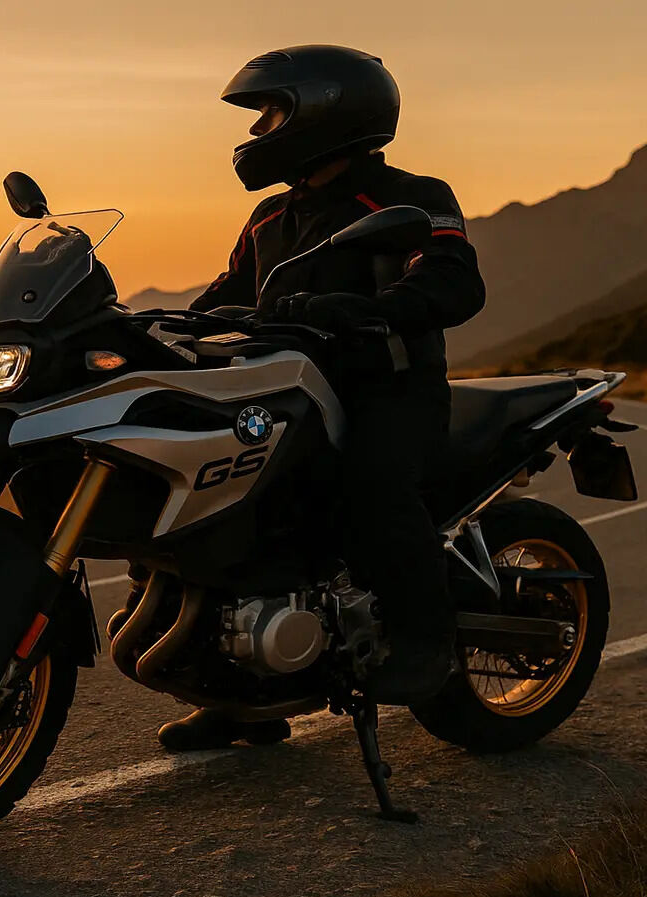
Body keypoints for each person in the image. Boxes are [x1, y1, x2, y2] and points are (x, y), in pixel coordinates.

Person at [157, 44, 487, 753]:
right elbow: (228, 296)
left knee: (372, 486)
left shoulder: (411, 198)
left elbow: (453, 281)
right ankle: (240, 691)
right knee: (214, 506)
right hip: (289, 398)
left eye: (271, 113)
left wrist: (362, 309)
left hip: (387, 390)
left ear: (325, 113)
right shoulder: (270, 220)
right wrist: (158, 329)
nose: (257, 131)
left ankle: (428, 644)